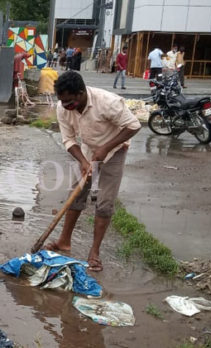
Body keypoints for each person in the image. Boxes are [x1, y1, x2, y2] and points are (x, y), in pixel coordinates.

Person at [47, 71, 141, 272]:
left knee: (105, 203)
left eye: (70, 102)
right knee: (77, 193)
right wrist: (83, 161)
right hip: (89, 150)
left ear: (81, 93)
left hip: (115, 150)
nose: (65, 106)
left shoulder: (107, 102)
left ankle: (95, 251)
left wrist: (106, 148)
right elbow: (69, 140)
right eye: (62, 101)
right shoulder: (63, 108)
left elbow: (134, 125)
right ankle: (64, 241)